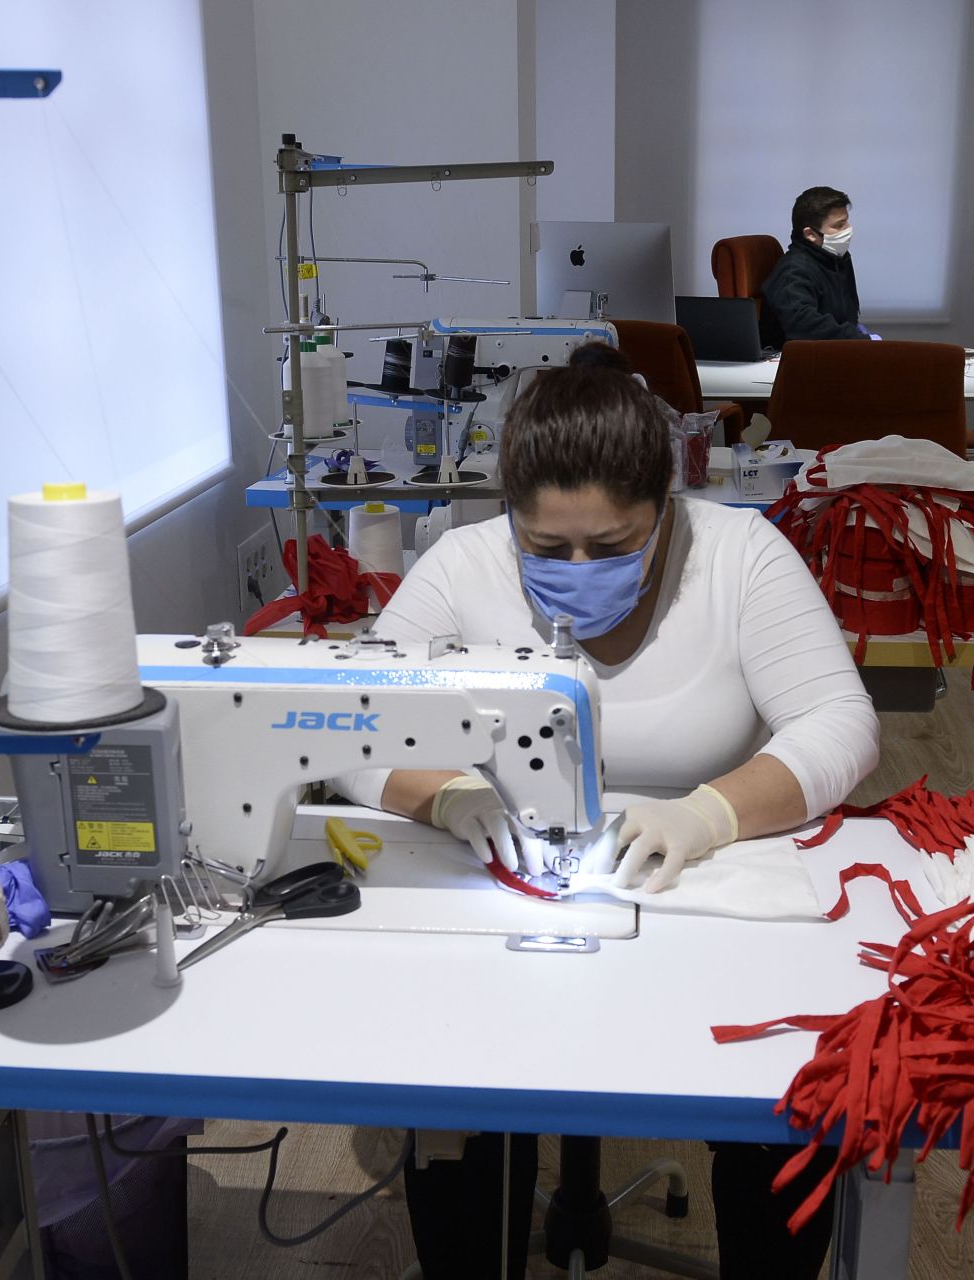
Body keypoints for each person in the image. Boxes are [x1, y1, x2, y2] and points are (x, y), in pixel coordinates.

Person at [333, 343, 880, 1277]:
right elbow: (354, 730)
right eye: (547, 550)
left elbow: (841, 724)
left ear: (665, 511)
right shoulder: (465, 568)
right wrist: (450, 797)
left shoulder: (739, 557)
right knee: (455, 1118)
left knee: (785, 1115)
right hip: (507, 891)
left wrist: (706, 815)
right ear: (509, 517)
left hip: (698, 895)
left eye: (613, 545)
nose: (577, 570)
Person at [760, 185, 881, 347]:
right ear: (810, 234)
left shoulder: (837, 258)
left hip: (831, 352)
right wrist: (860, 340)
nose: (848, 230)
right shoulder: (792, 271)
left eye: (846, 222)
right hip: (792, 361)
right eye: (839, 226)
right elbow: (805, 327)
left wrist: (855, 332)